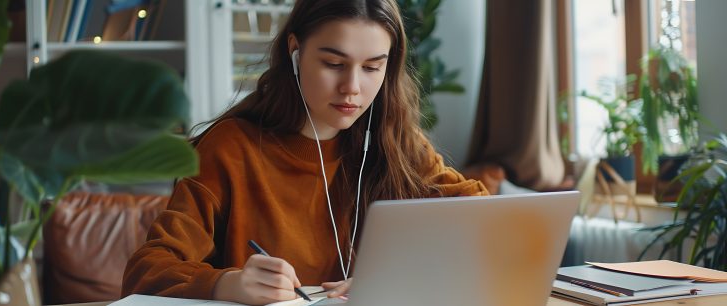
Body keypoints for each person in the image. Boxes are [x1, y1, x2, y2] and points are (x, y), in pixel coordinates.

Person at [121, 0, 488, 304]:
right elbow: (149, 267)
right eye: (334, 64)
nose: (352, 88)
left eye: (373, 67)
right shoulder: (230, 148)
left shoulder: (397, 142)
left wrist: (399, 277)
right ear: (295, 52)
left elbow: (487, 223)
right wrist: (226, 284)